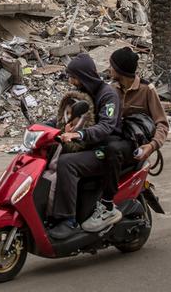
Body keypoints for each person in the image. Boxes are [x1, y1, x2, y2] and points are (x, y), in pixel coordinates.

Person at [81, 46, 169, 233]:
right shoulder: (111, 89)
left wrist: (151, 146)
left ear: (120, 71)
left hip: (133, 145)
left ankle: (106, 205)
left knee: (111, 150)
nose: (109, 70)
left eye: (112, 66)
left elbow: (162, 124)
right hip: (116, 139)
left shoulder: (146, 90)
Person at [49, 52, 121, 240]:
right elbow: (68, 116)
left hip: (105, 149)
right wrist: (43, 127)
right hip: (88, 146)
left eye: (74, 77)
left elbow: (106, 126)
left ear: (85, 76)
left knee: (66, 163)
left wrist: (80, 134)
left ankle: (68, 220)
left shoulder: (108, 95)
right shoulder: (84, 94)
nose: (71, 82)